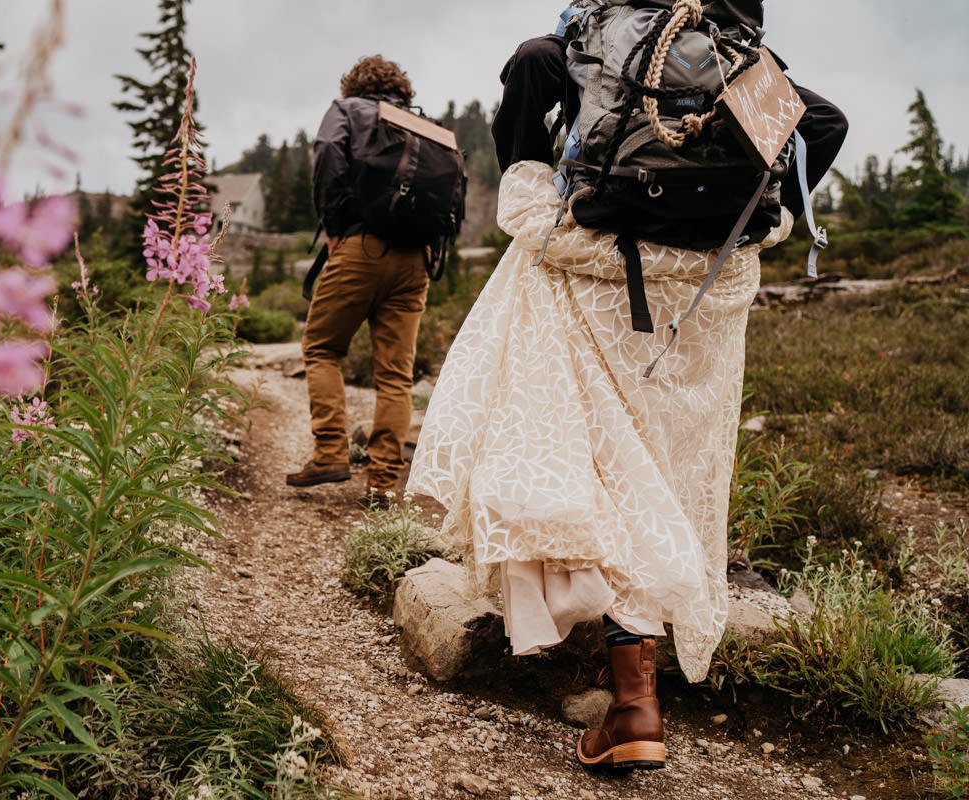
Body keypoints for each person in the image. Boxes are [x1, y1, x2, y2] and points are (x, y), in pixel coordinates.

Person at [408, 1, 846, 772]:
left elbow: (526, 75)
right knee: (664, 470)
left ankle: (633, 703)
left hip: (600, 275)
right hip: (705, 297)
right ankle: (634, 691)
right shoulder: (733, 56)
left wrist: (540, 190)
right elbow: (825, 123)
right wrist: (762, 225)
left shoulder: (578, 44)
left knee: (612, 467)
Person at [287, 56, 432, 507]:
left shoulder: (347, 111)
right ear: (401, 90)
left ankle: (330, 453)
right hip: (416, 260)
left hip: (359, 247)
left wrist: (333, 225)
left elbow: (330, 154)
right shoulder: (422, 125)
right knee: (395, 374)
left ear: (354, 85)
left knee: (321, 347)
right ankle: (383, 483)